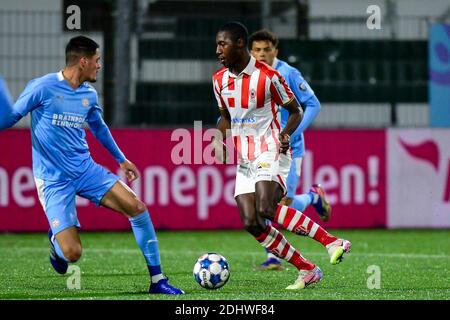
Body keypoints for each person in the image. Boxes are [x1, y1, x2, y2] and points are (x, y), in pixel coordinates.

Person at [0, 36, 184, 295]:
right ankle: (57, 243)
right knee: (72, 254)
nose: (99, 66)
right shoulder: (42, 87)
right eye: (97, 61)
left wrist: (121, 159)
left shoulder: (89, 94)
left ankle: (158, 281)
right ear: (83, 61)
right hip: (54, 179)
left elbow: (99, 127)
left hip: (86, 170)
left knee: (137, 208)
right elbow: (8, 119)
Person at [212, 21, 351, 289]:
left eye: (222, 43)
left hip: (271, 148)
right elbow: (225, 117)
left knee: (267, 208)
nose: (218, 50)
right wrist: (219, 139)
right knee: (251, 222)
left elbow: (297, 110)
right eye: (217, 44)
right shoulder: (219, 80)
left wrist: (286, 134)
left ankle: (332, 241)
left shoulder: (269, 75)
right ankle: (307, 269)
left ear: (239, 44)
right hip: (245, 158)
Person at [249, 29, 337, 271]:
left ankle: (274, 257)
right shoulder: (250, 76)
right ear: (250, 52)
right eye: (257, 50)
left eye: (267, 49)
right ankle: (313, 197)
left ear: (276, 50)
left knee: (277, 204)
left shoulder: (287, 73)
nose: (262, 54)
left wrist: (292, 133)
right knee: (270, 205)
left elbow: (313, 104)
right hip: (262, 148)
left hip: (290, 150)